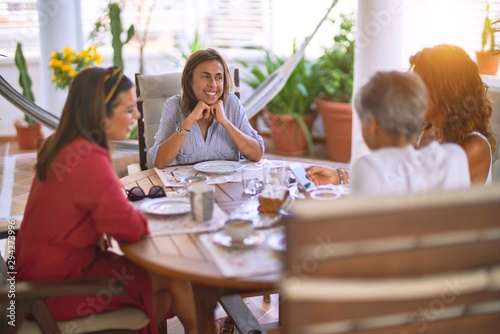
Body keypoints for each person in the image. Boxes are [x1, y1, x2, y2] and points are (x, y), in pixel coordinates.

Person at [15, 66, 197, 334]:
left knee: (165, 288)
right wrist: (136, 212)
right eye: (126, 110)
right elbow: (130, 228)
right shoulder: (87, 158)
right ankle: (206, 328)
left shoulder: (62, 143)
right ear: (100, 114)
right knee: (172, 272)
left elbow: (107, 210)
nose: (136, 115)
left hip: (37, 272)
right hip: (56, 288)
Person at [306, 71, 471, 196]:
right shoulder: (454, 156)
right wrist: (342, 177)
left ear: (373, 124)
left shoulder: (369, 167)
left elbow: (360, 236)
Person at [149, 48, 264, 168]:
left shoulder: (232, 103)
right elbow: (160, 162)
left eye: (219, 78)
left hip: (227, 185)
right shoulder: (173, 106)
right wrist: (190, 120)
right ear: (189, 80)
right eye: (205, 77)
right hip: (186, 185)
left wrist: (225, 122)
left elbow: (256, 154)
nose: (213, 84)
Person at [409, 44, 497, 185]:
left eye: (416, 87)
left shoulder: (475, 147)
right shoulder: (423, 133)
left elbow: (421, 192)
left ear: (445, 91)